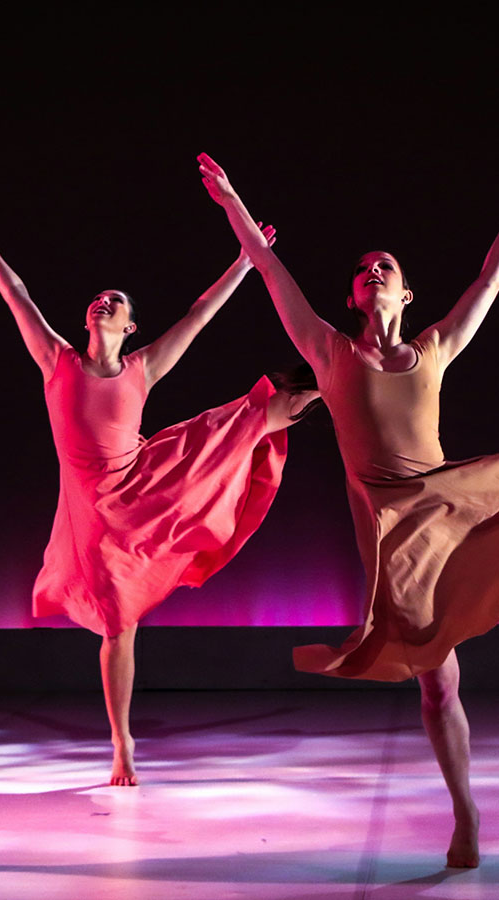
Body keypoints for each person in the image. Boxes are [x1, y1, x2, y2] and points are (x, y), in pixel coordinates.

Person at [197, 151, 499, 868]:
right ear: (353, 298)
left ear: (406, 294)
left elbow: (492, 278)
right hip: (389, 530)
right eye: (363, 270)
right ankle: (467, 810)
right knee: (437, 684)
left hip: (442, 513)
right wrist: (232, 200)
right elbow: (269, 269)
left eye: (384, 267)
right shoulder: (329, 351)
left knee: (439, 678)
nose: (372, 273)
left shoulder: (434, 348)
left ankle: (463, 815)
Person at [0, 209, 315, 786]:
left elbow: (198, 315)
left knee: (237, 422)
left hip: (141, 482)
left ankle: (332, 383)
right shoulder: (56, 361)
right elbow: (18, 295)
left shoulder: (142, 367)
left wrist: (245, 262)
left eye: (115, 302)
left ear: (130, 326)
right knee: (119, 625)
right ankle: (122, 742)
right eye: (98, 300)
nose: (104, 304)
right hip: (91, 511)